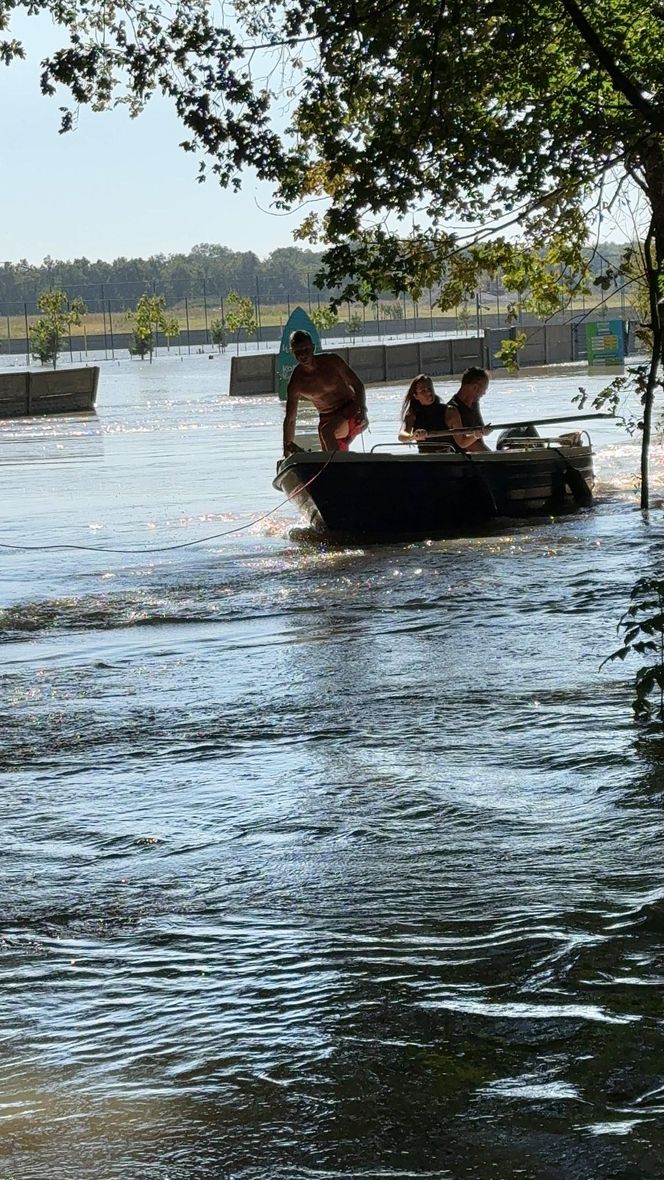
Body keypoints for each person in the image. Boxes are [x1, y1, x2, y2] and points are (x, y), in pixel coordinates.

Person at [282, 330, 368, 455]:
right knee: (327, 455)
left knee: (326, 432)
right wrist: (286, 451)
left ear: (313, 348)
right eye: (298, 352)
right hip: (327, 418)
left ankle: (338, 466)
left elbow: (358, 385)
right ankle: (333, 467)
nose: (303, 355)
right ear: (293, 352)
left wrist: (363, 410)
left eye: (306, 349)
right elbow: (290, 419)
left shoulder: (332, 361)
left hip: (351, 408)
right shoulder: (296, 382)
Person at [444, 366, 491, 453]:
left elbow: (481, 431)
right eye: (484, 389)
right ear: (475, 387)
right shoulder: (452, 410)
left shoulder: (474, 404)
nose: (484, 393)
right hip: (464, 461)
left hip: (481, 457)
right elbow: (463, 443)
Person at [398, 374, 449, 449]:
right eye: (423, 391)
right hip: (425, 457)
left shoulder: (448, 410)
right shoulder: (412, 414)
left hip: (448, 455)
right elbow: (401, 436)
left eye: (429, 389)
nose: (428, 393)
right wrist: (413, 436)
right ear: (415, 396)